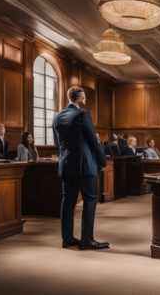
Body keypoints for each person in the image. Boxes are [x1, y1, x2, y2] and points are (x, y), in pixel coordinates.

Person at [52, 86, 108, 250]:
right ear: (79, 98)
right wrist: (103, 161)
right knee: (90, 200)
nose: (85, 100)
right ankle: (86, 240)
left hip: (66, 165)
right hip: (84, 165)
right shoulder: (82, 114)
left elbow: (58, 144)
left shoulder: (57, 117)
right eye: (84, 97)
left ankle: (67, 239)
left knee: (67, 202)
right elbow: (93, 140)